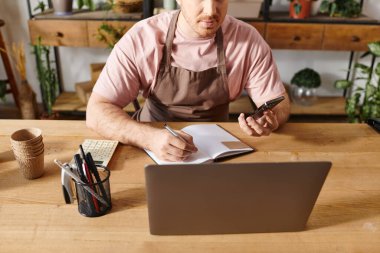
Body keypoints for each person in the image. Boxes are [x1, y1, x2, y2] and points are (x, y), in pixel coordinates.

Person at [86, 0, 290, 162]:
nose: (210, 10)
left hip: (218, 150)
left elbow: (278, 101)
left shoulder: (247, 40)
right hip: (150, 146)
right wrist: (149, 138)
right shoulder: (143, 37)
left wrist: (270, 118)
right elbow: (96, 111)